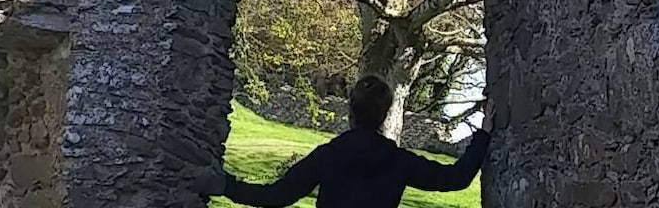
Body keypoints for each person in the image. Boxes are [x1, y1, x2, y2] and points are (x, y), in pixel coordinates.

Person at [197, 75, 492, 207]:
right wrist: (485, 134)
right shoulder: (399, 161)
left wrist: (224, 184)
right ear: (385, 114)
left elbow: (278, 195)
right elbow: (455, 178)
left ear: (350, 110)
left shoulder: (329, 155)